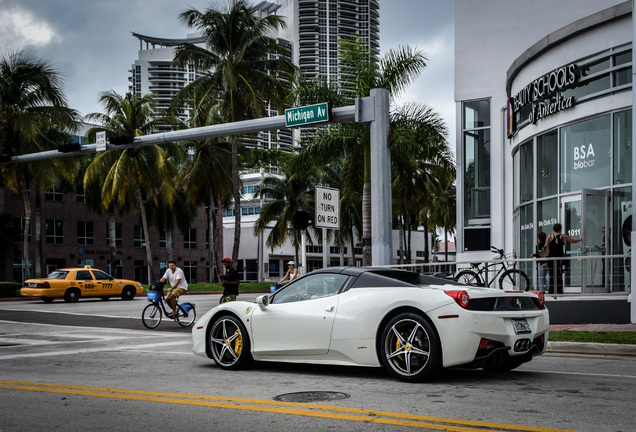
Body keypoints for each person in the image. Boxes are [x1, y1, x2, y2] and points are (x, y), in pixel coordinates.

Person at [545, 223, 582, 294]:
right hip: (560, 258)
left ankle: (551, 290)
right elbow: (572, 241)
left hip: (551, 259)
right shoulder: (563, 236)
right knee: (559, 274)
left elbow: (545, 246)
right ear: (560, 229)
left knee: (552, 274)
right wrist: (579, 239)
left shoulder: (550, 236)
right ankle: (559, 290)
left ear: (553, 229)